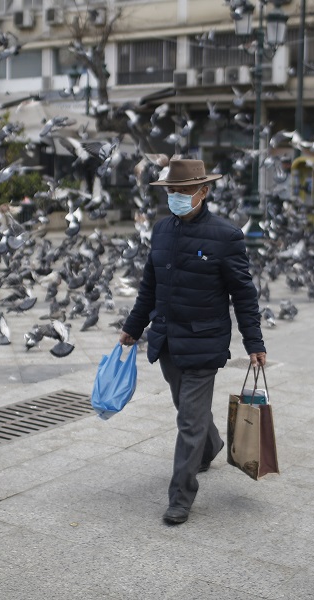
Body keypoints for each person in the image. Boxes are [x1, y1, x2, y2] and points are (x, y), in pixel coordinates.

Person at [118, 158, 267, 526]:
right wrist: (133, 327)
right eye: (172, 191)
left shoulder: (226, 236)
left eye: (184, 191)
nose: (177, 197)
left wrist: (254, 343)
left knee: (188, 420)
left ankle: (181, 496)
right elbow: (149, 286)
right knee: (189, 411)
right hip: (167, 340)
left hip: (204, 342)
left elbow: (243, 295)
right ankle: (212, 444)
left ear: (204, 191)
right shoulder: (161, 230)